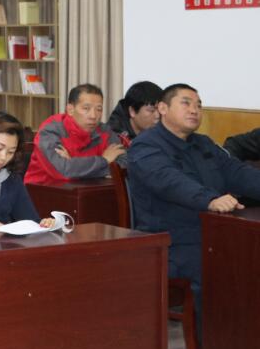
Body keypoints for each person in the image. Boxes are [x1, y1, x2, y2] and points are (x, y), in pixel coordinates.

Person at [127, 84, 259, 313]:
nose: (194, 110)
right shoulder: (145, 146)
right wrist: (210, 199)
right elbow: (170, 182)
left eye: (198, 105)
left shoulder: (203, 143)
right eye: (186, 103)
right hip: (171, 241)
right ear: (163, 108)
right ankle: (211, 335)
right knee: (223, 268)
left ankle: (242, 334)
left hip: (214, 233)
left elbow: (237, 172)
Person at [24, 84, 126, 186]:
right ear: (70, 109)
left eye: (99, 109)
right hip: (42, 191)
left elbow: (125, 164)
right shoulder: (50, 131)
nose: (93, 116)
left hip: (87, 190)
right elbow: (64, 171)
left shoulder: (105, 131)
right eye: (86, 108)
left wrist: (73, 165)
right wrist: (104, 160)